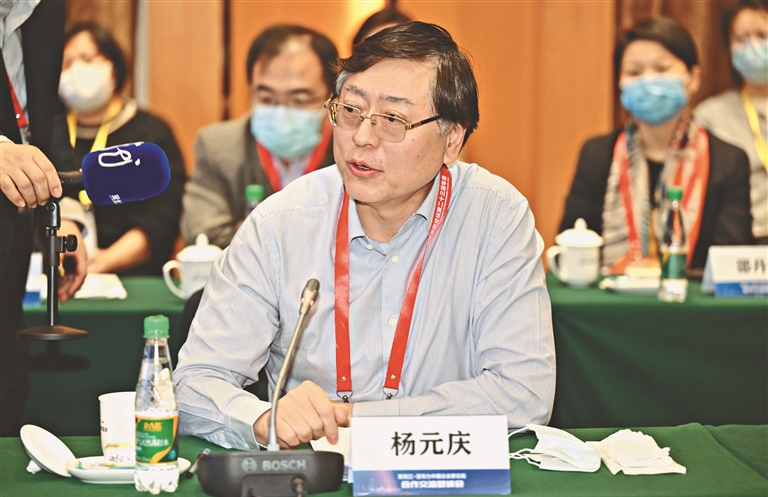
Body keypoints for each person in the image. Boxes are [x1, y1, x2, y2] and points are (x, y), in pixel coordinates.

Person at [175, 22, 556, 450]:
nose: (361, 137)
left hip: (440, 471)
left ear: (452, 138)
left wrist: (357, 420)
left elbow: (524, 392)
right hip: (317, 474)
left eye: (392, 120)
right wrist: (263, 419)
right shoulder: (280, 223)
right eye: (351, 111)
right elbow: (194, 385)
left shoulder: (496, 216)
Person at [560, 16, 754, 275]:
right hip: (613, 297)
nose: (648, 81)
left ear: (693, 78)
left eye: (661, 69)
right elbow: (571, 244)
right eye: (634, 72)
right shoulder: (596, 154)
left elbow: (732, 266)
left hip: (689, 300)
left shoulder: (728, 161)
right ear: (620, 83)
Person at [1, 0, 87, 436]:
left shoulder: (46, 7)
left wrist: (63, 208)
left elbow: (42, 110)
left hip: (13, 235)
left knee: (7, 372)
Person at [180, 25, 338, 248]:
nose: (281, 113)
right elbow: (205, 237)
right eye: (266, 98)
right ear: (250, 92)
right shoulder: (218, 147)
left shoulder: (355, 149)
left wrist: (250, 230)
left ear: (332, 97)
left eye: (300, 99)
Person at [60, 23, 186, 276]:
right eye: (66, 63)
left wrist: (106, 261)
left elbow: (163, 215)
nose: (76, 70)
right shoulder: (52, 135)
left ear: (113, 66)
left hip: (134, 276)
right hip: (62, 273)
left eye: (87, 59)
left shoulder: (151, 134)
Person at [695, 0, 768, 244]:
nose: (752, 47)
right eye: (741, 39)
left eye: (762, 35)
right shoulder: (709, 115)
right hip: (742, 242)